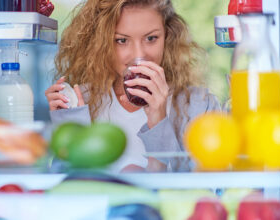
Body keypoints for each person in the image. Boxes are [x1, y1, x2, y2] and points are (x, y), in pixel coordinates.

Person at [45, 0, 220, 172]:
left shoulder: (199, 105)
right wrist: (72, 130)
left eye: (151, 38)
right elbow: (67, 189)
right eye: (122, 40)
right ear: (101, 42)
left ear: (167, 36)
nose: (139, 55)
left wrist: (158, 120)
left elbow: (209, 187)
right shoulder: (81, 102)